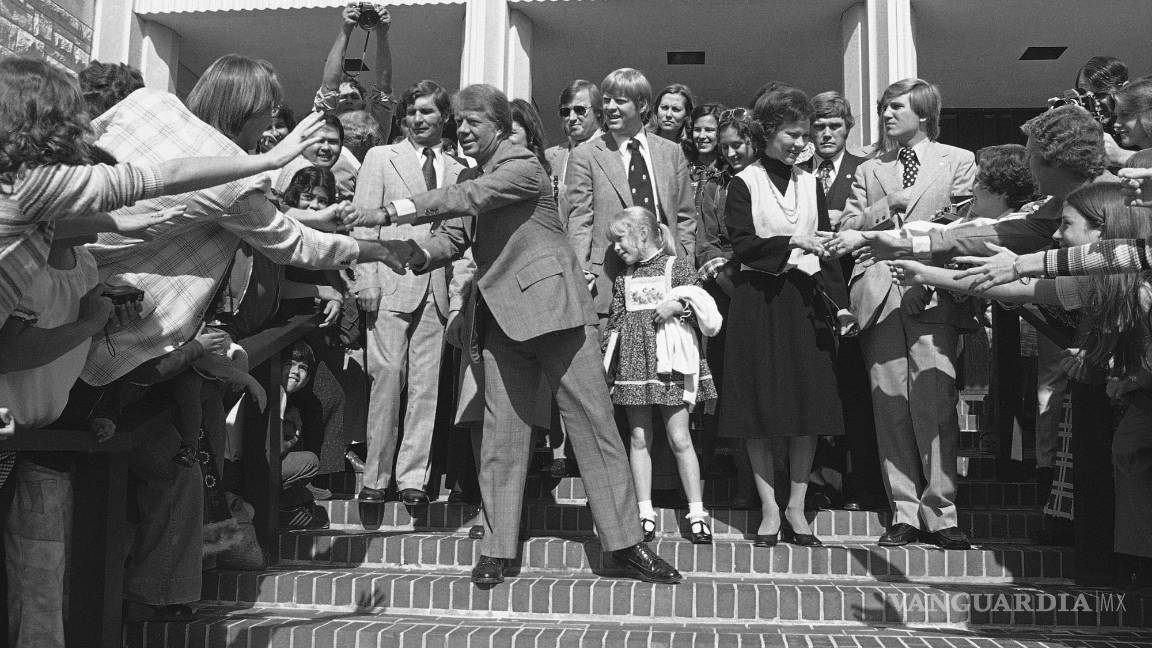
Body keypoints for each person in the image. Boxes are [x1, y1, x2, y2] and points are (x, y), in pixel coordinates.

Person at [79, 53, 412, 621]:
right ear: (250, 113)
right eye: (268, 116)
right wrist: (381, 249)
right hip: (118, 346)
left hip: (77, 307)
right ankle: (137, 604)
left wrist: (319, 217)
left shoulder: (152, 105)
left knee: (171, 467)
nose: (272, 128)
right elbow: (290, 245)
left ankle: (154, 598)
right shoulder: (232, 175)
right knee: (151, 469)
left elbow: (261, 217)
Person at [341, 83, 680, 587]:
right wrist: (404, 254)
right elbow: (453, 235)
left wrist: (390, 212)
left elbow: (470, 197)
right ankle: (498, 551)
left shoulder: (522, 164)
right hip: (499, 322)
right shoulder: (474, 174)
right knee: (501, 438)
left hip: (555, 312)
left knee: (593, 425)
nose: (462, 130)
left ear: (499, 125)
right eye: (459, 122)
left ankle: (626, 544)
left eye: (472, 121)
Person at [0, 206, 178, 648]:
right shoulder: (17, 259)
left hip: (35, 438)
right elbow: (11, 351)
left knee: (32, 579)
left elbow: (67, 341)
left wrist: (101, 321)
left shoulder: (87, 264)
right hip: (8, 435)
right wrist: (88, 323)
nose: (104, 209)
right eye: (94, 199)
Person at [835, 78, 976, 550]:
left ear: (923, 111)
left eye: (895, 107)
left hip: (933, 291)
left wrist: (924, 275)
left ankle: (942, 512)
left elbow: (962, 224)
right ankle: (904, 511)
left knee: (934, 405)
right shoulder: (871, 169)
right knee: (890, 405)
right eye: (883, 108)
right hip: (879, 295)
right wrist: (884, 206)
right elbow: (846, 227)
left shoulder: (958, 160)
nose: (887, 115)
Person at [718, 86, 848, 549]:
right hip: (758, 300)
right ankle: (769, 509)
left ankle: (797, 506)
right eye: (792, 134)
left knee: (806, 408)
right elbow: (742, 244)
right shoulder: (743, 182)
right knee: (757, 408)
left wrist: (840, 301)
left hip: (804, 300)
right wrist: (793, 243)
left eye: (804, 135)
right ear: (769, 132)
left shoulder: (811, 182)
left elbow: (824, 244)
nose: (799, 143)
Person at [351, 79, 465, 505]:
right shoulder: (382, 157)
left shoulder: (457, 168)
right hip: (389, 284)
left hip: (436, 290)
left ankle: (413, 479)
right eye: (412, 112)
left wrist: (457, 297)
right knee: (387, 378)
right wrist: (367, 280)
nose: (418, 119)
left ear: (444, 117)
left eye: (427, 112)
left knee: (426, 386)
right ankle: (376, 479)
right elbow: (365, 223)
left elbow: (461, 239)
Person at [602, 207, 719, 545]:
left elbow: (704, 311)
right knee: (639, 438)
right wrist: (606, 356)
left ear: (642, 234)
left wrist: (678, 307)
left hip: (670, 363)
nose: (616, 248)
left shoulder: (677, 266)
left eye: (620, 240)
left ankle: (697, 512)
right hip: (633, 364)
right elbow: (615, 320)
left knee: (680, 437)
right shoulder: (624, 278)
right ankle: (644, 512)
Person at [566, 68, 697, 319]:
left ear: (642, 105)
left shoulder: (671, 152)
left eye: (620, 101)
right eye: (606, 100)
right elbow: (580, 218)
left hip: (666, 277)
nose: (611, 108)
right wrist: (580, 271)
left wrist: (685, 263)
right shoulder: (586, 155)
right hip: (609, 278)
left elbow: (685, 216)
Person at [809, 90, 883, 512]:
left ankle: (864, 483)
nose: (826, 133)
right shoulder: (798, 171)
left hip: (856, 292)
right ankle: (823, 482)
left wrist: (851, 222)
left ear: (848, 128)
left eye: (834, 125)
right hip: (813, 296)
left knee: (858, 393)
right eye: (819, 126)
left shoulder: (866, 169)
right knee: (822, 391)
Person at [544, 80, 603, 219]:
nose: (571, 118)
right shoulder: (549, 157)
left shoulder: (614, 151)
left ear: (598, 112)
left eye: (580, 110)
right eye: (565, 112)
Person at [510, 99, 549, 173]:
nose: (505, 139)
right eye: (503, 133)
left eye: (511, 133)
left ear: (530, 134)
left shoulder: (535, 174)